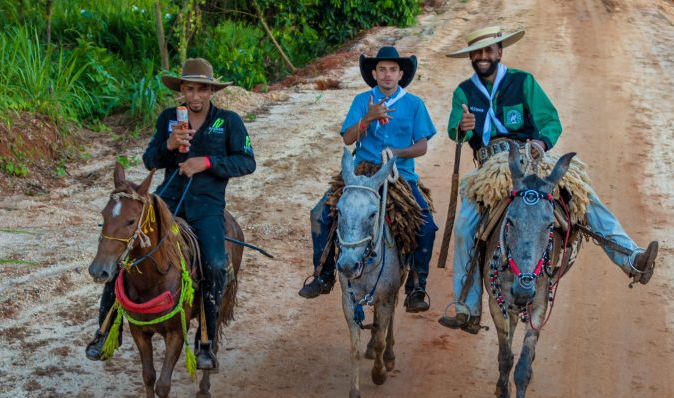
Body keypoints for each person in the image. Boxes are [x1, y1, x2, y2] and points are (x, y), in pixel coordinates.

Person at [438, 26, 659, 331]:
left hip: (531, 157)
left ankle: (631, 258)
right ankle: (467, 305)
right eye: (478, 52)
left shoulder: (523, 81)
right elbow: (455, 130)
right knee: (464, 227)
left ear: (500, 52)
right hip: (490, 167)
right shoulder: (464, 91)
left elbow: (550, 120)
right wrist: (462, 127)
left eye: (489, 51)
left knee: (582, 194)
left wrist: (541, 142)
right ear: (472, 57)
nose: (484, 57)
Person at [86, 58, 256, 368]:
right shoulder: (169, 118)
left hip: (206, 204)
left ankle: (205, 340)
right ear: (182, 90)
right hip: (166, 199)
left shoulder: (228, 122)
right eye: (189, 89)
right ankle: (106, 330)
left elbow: (247, 162)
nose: (194, 97)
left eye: (201, 90)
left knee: (216, 264)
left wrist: (206, 163)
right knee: (125, 252)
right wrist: (169, 143)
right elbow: (150, 158)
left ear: (210, 91)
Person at [298, 46, 438, 312]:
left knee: (427, 226)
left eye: (393, 70)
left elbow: (421, 146)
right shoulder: (362, 100)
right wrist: (367, 119)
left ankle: (416, 287)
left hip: (399, 175)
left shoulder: (414, 104)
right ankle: (324, 274)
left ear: (400, 74)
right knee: (320, 214)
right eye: (382, 70)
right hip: (361, 172)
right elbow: (348, 138)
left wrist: (397, 152)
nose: (387, 75)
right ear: (374, 73)